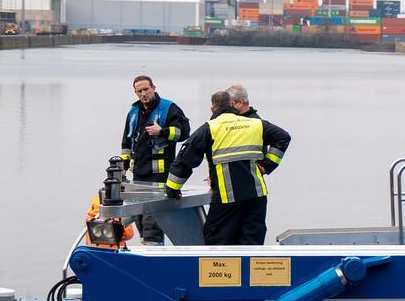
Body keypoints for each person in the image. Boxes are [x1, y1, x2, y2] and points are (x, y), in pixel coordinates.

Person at [164, 84, 291, 245]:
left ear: (212, 109)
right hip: (256, 196)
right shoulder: (255, 124)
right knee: (252, 244)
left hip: (226, 199)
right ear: (232, 105)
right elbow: (283, 138)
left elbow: (184, 160)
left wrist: (173, 189)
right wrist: (267, 165)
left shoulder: (209, 128)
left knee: (218, 245)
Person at [119, 75, 190, 243]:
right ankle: (148, 250)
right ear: (135, 93)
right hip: (138, 174)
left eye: (146, 89)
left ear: (153, 88)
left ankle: (153, 250)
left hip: (159, 174)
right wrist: (123, 167)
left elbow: (184, 132)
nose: (144, 94)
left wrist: (162, 131)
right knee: (140, 218)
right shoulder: (134, 111)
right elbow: (126, 141)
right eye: (139, 91)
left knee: (153, 220)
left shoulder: (168, 108)